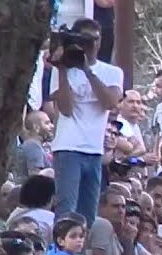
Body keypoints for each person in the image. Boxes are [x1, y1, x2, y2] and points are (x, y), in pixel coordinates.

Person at [49, 18, 123, 223]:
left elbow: (110, 102)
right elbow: (65, 108)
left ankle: (79, 253)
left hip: (94, 149)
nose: (91, 45)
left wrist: (87, 70)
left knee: (88, 214)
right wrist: (63, 68)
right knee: (67, 209)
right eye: (85, 40)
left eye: (95, 39)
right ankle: (63, 253)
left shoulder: (112, 72)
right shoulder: (62, 71)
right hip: (68, 146)